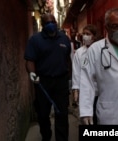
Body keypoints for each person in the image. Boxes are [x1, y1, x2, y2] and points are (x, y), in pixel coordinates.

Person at [24, 13, 71, 141]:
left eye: (52, 22)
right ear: (43, 26)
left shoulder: (64, 39)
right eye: (47, 23)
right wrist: (32, 73)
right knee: (43, 113)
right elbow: (30, 60)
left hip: (61, 81)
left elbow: (67, 59)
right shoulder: (35, 40)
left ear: (56, 22)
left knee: (62, 113)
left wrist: (70, 78)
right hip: (43, 81)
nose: (51, 25)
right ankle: (46, 136)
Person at [71, 24, 100, 125]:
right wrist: (76, 90)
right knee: (86, 119)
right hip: (85, 92)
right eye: (83, 34)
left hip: (100, 92)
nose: (85, 36)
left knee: (98, 118)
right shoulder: (79, 53)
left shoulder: (101, 50)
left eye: (88, 34)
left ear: (94, 36)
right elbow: (76, 73)